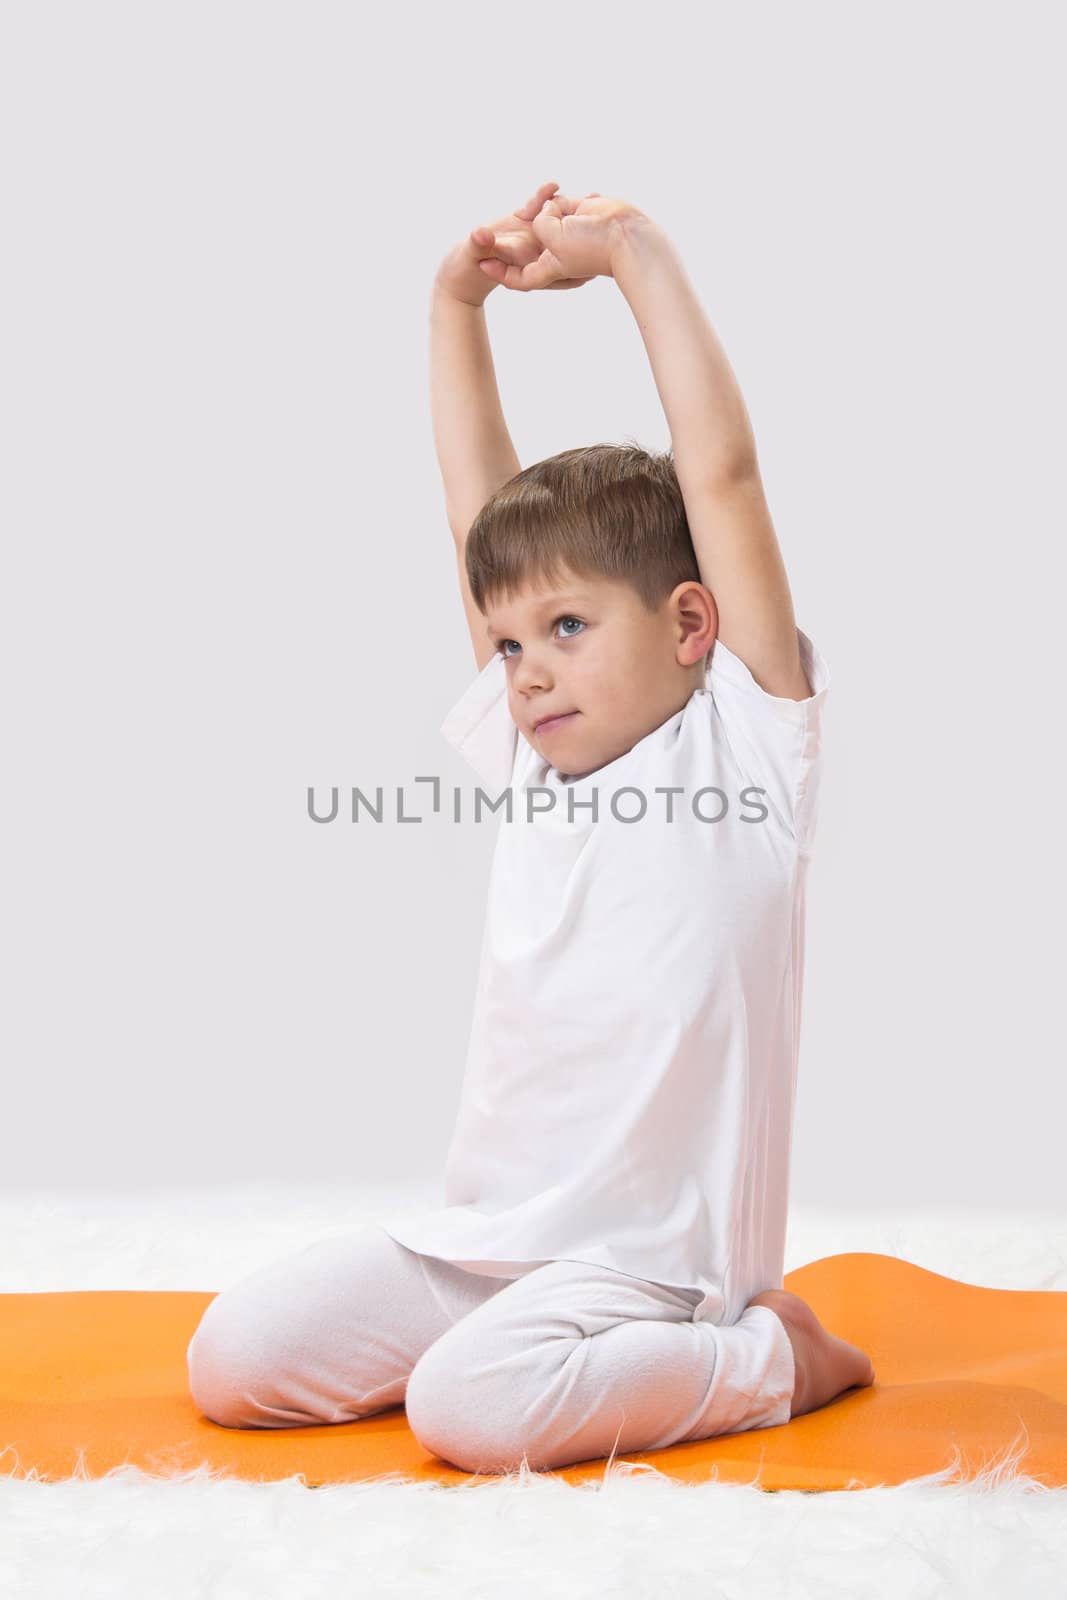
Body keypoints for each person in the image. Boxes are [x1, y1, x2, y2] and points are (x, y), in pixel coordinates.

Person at [187, 181, 875, 1475]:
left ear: (689, 624)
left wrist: (631, 256)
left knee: (466, 1412)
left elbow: (719, 468)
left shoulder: (747, 739)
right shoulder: (529, 755)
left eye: (567, 629)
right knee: (233, 1357)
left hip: (659, 1275)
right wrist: (457, 302)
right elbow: (474, 513)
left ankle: (774, 1357)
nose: (527, 670)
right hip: (489, 1240)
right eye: (508, 643)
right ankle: (530, 1346)